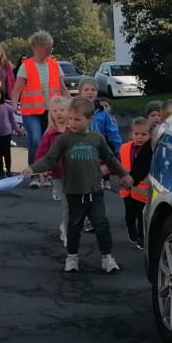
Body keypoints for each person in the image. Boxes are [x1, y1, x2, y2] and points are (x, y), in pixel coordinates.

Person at [22, 97, 132, 273]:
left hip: (95, 191)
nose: (72, 122)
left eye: (77, 119)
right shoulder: (64, 139)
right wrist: (33, 168)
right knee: (74, 226)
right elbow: (50, 160)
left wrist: (124, 174)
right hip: (73, 191)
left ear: (89, 120)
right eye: (71, 118)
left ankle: (107, 258)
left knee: (101, 224)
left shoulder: (96, 138)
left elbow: (110, 158)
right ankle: (72, 257)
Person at [9, 31, 65, 167]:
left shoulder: (54, 65)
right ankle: (34, 170)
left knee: (50, 141)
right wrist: (14, 104)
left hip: (51, 111)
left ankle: (47, 171)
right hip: (31, 111)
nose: (49, 50)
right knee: (35, 140)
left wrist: (72, 104)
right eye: (47, 47)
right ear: (36, 47)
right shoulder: (26, 66)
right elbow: (17, 88)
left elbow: (62, 87)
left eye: (51, 47)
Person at [119, 116, 153, 248]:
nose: (140, 137)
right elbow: (117, 163)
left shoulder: (150, 150)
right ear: (131, 134)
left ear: (150, 135)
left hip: (142, 190)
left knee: (141, 214)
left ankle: (142, 238)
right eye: (136, 134)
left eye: (144, 134)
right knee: (130, 214)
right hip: (127, 189)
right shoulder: (125, 148)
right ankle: (132, 232)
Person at [34, 95, 73, 204]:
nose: (58, 113)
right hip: (57, 173)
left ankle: (82, 218)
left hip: (74, 172)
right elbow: (41, 154)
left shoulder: (73, 131)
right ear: (51, 114)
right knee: (66, 202)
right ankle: (67, 221)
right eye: (55, 111)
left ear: (69, 112)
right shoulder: (49, 135)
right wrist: (41, 169)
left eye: (62, 110)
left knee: (76, 199)